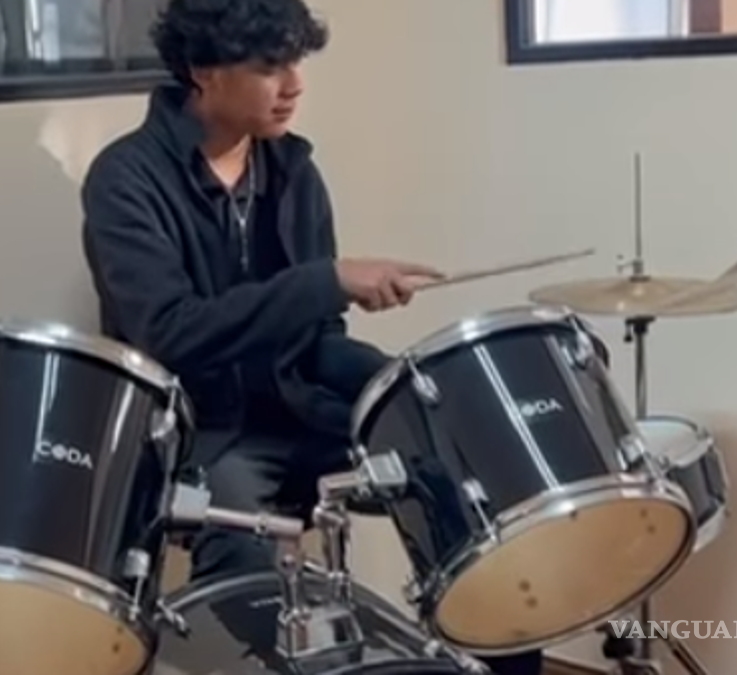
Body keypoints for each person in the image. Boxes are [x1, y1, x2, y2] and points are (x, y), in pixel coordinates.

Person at [80, 2, 542, 674]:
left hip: (302, 412)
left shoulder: (294, 172)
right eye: (271, 66)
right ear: (204, 71)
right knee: (242, 554)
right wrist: (328, 280)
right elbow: (170, 331)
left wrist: (401, 387)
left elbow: (317, 339)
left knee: (464, 470)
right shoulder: (125, 179)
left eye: (296, 62)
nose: (295, 84)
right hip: (203, 433)